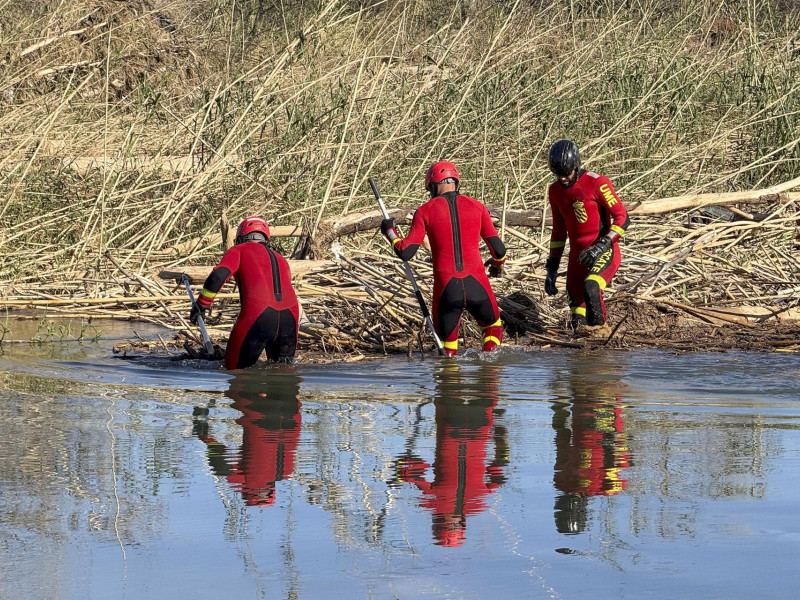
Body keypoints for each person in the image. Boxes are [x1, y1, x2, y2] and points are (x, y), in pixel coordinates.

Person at [380, 161, 506, 357]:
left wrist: (389, 231)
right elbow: (499, 250)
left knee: (448, 354)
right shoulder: (477, 207)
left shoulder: (424, 211)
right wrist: (498, 266)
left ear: (432, 186)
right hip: (478, 287)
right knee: (493, 328)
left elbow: (405, 252)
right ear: (456, 182)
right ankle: (490, 375)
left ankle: (449, 381)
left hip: (447, 291)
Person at [190, 216, 300, 369]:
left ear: (241, 238)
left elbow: (218, 275)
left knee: (235, 372)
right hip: (290, 318)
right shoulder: (281, 259)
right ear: (266, 239)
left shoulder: (239, 250)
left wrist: (201, 305)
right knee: (283, 372)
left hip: (258, 314)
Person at [544, 140, 630, 332]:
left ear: (576, 166)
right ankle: (584, 357)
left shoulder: (597, 182)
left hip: (603, 250)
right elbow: (558, 231)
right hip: (577, 256)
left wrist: (602, 245)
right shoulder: (555, 190)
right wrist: (552, 268)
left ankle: (601, 333)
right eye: (558, 175)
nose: (563, 179)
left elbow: (623, 218)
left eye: (567, 174)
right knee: (576, 311)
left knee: (591, 287)